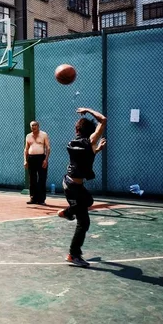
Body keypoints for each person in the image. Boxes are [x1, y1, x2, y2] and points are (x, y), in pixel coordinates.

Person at [58, 107, 107, 267]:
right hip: (73, 187)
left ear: (77, 130)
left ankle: (68, 212)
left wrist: (96, 150)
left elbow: (83, 159)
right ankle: (74, 254)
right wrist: (88, 110)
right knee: (83, 222)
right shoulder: (90, 142)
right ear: (91, 132)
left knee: (89, 200)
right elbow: (103, 120)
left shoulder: (73, 143)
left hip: (69, 183)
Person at [24, 121, 51, 205]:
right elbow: (26, 149)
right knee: (32, 179)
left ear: (38, 126)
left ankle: (41, 199)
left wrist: (46, 159)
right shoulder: (28, 136)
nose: (34, 127)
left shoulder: (44, 135)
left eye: (35, 125)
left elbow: (48, 148)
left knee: (42, 178)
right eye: (32, 125)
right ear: (30, 127)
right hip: (31, 159)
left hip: (41, 158)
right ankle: (33, 198)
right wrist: (25, 160)